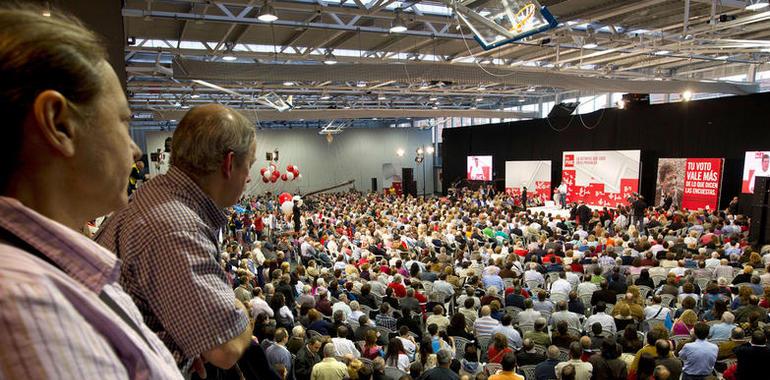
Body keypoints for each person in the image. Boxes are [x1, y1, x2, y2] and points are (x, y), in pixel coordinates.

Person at [0, 7, 182, 379]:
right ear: (59, 124)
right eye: (123, 121)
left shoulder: (54, 276)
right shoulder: (27, 306)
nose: (135, 151)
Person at [96, 104, 257, 372]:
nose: (249, 177)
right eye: (249, 165)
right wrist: (238, 305)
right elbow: (226, 348)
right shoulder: (177, 226)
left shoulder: (156, 194)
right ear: (229, 164)